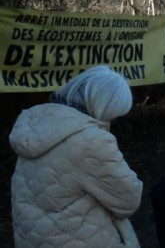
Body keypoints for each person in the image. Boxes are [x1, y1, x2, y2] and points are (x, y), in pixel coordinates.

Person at [10, 65, 142, 247]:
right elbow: (128, 201)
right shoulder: (92, 141)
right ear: (104, 108)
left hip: (34, 238)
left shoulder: (36, 122)